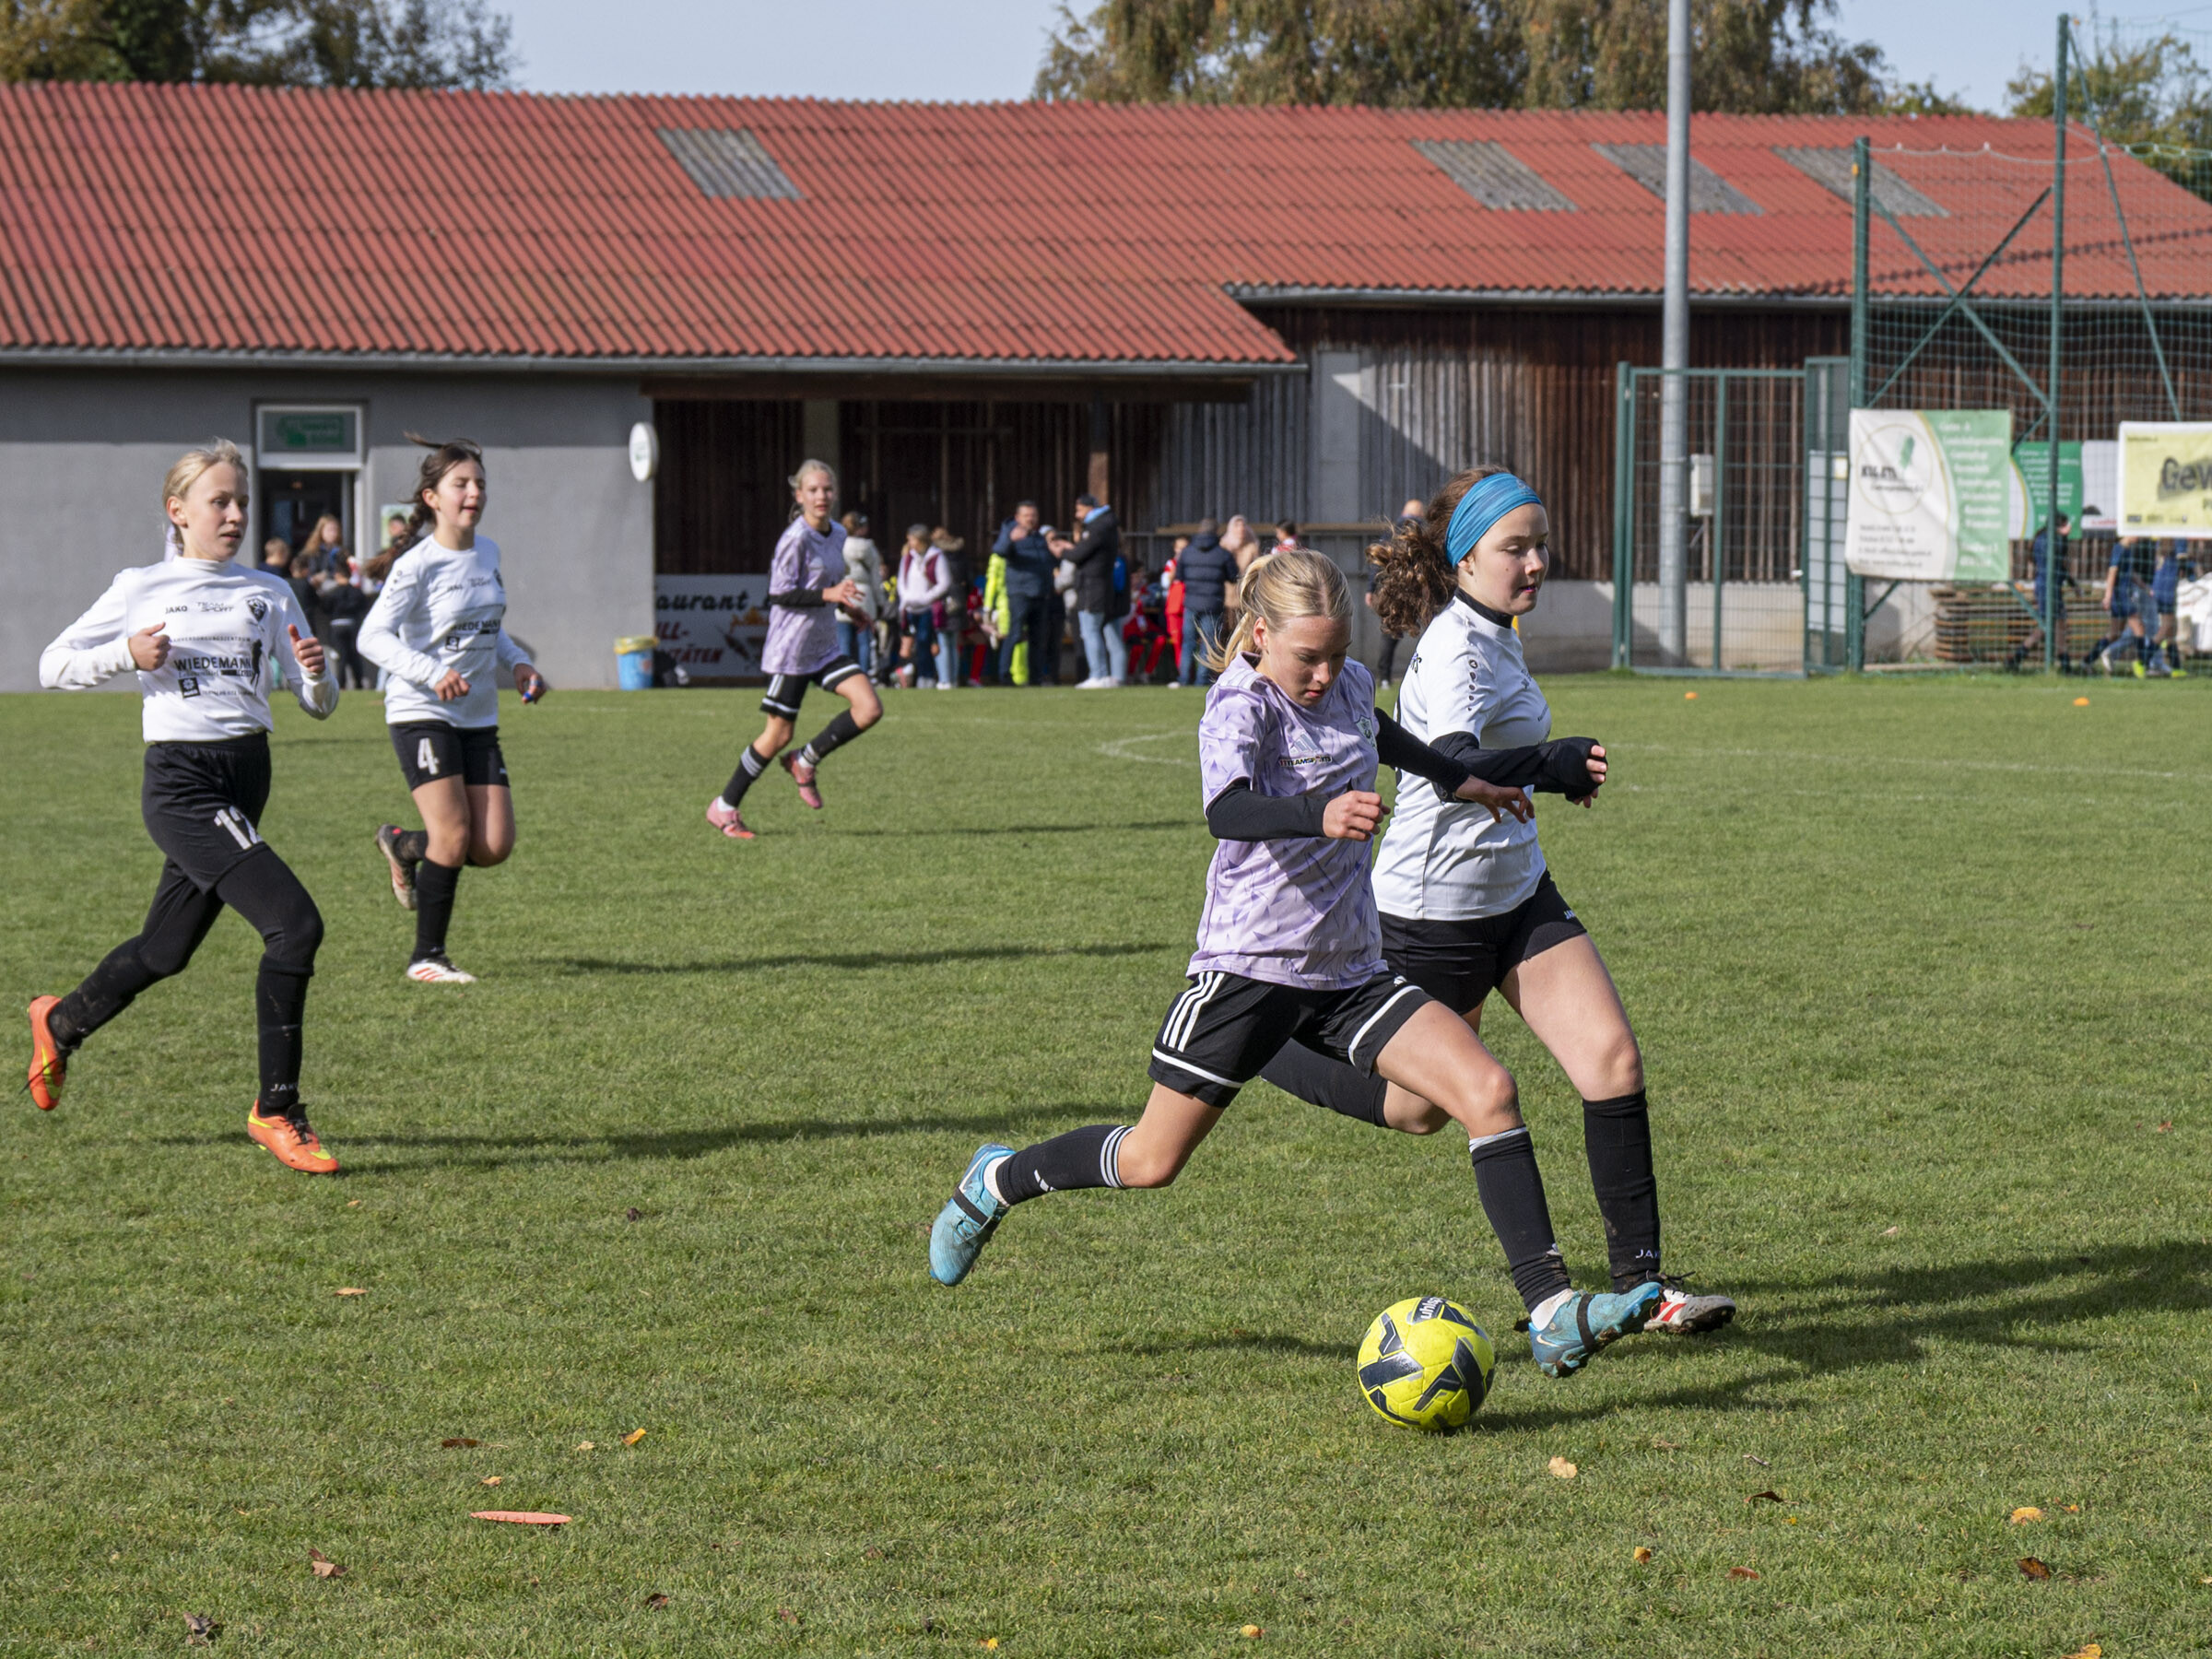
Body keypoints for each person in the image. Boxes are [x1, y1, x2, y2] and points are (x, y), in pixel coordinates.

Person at [926, 549, 1663, 1378]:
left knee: (1487, 1091)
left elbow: (1386, 736)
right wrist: (1320, 812)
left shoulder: (1345, 685)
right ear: (1261, 635)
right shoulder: (1238, 703)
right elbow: (1228, 811)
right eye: (1307, 657)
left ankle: (1552, 1310)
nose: (1324, 675)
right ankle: (998, 1180)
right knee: (1150, 1162)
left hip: (1351, 969)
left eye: (1337, 654)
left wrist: (1469, 784)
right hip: (1250, 969)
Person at [1256, 465, 1738, 1340]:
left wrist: (1554, 773)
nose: (1536, 563)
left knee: (1613, 1062)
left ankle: (1643, 1288)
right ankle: (1268, 1044)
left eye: (1540, 545)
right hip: (1432, 913)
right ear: (1466, 557)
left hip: (1518, 893)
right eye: (1516, 547)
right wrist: (1549, 763)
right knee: (1419, 1110)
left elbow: (1497, 757)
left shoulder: (1497, 632)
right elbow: (1453, 764)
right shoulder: (1455, 648)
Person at [28, 441, 342, 1174]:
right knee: (295, 925)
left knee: (164, 951)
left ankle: (61, 1021)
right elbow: (51, 665)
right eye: (219, 502)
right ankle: (277, 1109)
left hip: (246, 777)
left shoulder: (268, 591)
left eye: (242, 503)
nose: (234, 515)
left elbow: (317, 704)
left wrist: (317, 678)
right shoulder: (141, 586)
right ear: (178, 511)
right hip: (182, 784)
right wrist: (124, 656)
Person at [360, 437, 545, 984]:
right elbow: (373, 636)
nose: (474, 493)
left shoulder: (488, 553)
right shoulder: (417, 565)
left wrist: (518, 663)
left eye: (480, 484)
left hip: (478, 716)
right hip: (421, 710)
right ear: (432, 497)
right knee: (453, 833)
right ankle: (427, 957)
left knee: (492, 847)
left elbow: (490, 627)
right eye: (461, 484)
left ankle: (401, 845)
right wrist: (430, 672)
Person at [704, 459, 878, 839]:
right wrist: (829, 594)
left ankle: (805, 760)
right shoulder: (795, 538)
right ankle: (724, 807)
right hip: (792, 651)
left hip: (824, 646)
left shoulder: (837, 534)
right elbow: (779, 593)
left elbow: (827, 585)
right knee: (777, 735)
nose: (821, 496)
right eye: (812, 490)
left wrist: (848, 607)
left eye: (827, 489)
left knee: (869, 708)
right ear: (799, 496)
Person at [1062, 492, 1125, 687]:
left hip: (1092, 590)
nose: (1077, 515)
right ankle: (1115, 677)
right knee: (1110, 635)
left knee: (1090, 632)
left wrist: (1064, 551)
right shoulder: (1108, 526)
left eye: (1079, 510)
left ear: (1090, 508)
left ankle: (1098, 675)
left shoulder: (1097, 527)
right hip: (1104, 592)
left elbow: (1079, 554)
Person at [993, 501, 1056, 687]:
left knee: (1038, 639)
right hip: (1020, 593)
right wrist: (1010, 539)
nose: (1031, 519)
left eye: (1033, 515)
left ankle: (1036, 678)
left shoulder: (1038, 536)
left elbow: (1046, 562)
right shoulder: (1010, 532)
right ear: (1017, 517)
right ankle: (1005, 676)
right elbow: (998, 551)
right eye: (1027, 515)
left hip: (1041, 593)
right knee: (1014, 635)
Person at [1175, 517, 1236, 688]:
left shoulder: (1187, 552)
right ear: (1216, 531)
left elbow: (1179, 576)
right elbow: (1233, 576)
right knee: (1208, 643)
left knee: (1188, 642)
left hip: (1191, 602)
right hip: (1212, 603)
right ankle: (1201, 679)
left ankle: (1184, 678)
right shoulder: (1223, 553)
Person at [1371, 497, 1425, 686]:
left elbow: (1378, 562)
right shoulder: (1424, 531)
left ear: (1403, 512)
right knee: (1429, 632)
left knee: (1391, 633)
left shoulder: (1391, 531)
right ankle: (1424, 676)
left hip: (1395, 589)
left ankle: (1385, 677)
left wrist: (1372, 589)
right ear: (1421, 514)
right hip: (1421, 590)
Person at [2010, 512, 2072, 672]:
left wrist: (2072, 583)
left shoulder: (2052, 539)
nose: (2068, 528)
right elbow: (2056, 558)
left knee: (2059, 624)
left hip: (2052, 587)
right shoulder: (2048, 540)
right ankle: (2016, 658)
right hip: (2046, 588)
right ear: (2057, 525)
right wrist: (2064, 537)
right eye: (2065, 524)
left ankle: (2065, 664)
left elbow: (2060, 565)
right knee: (2046, 626)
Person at [2091, 535, 2159, 677]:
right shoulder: (2119, 548)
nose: (2137, 536)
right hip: (2120, 596)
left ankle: (2088, 660)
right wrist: (2108, 596)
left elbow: (2130, 573)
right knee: (2139, 628)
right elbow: (2112, 572)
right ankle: (2144, 664)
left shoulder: (2127, 550)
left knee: (2115, 634)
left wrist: (2145, 587)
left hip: (2123, 596)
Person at [895, 523, 952, 689]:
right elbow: (901, 581)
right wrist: (906, 597)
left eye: (912, 540)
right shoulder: (908, 558)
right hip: (909, 608)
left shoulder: (936, 557)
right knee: (908, 644)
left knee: (924, 642)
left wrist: (926, 598)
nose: (910, 543)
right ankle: (909, 677)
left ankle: (926, 676)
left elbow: (944, 583)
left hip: (927, 608)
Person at [837, 510, 882, 683]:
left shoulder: (839, 545)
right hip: (864, 593)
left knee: (844, 640)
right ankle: (864, 676)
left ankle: (844, 676)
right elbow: (876, 576)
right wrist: (880, 601)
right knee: (864, 640)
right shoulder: (868, 547)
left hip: (844, 590)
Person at [930, 528, 967, 689]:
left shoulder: (935, 555)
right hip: (958, 599)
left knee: (942, 641)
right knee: (953, 642)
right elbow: (969, 578)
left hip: (941, 600)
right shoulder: (960, 553)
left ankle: (945, 680)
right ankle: (953, 678)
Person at [2152, 541, 2191, 677]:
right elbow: (2182, 564)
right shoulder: (2179, 538)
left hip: (2158, 585)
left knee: (2171, 630)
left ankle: (2176, 667)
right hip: (2167, 588)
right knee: (2167, 627)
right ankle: (2143, 660)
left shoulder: (2161, 540)